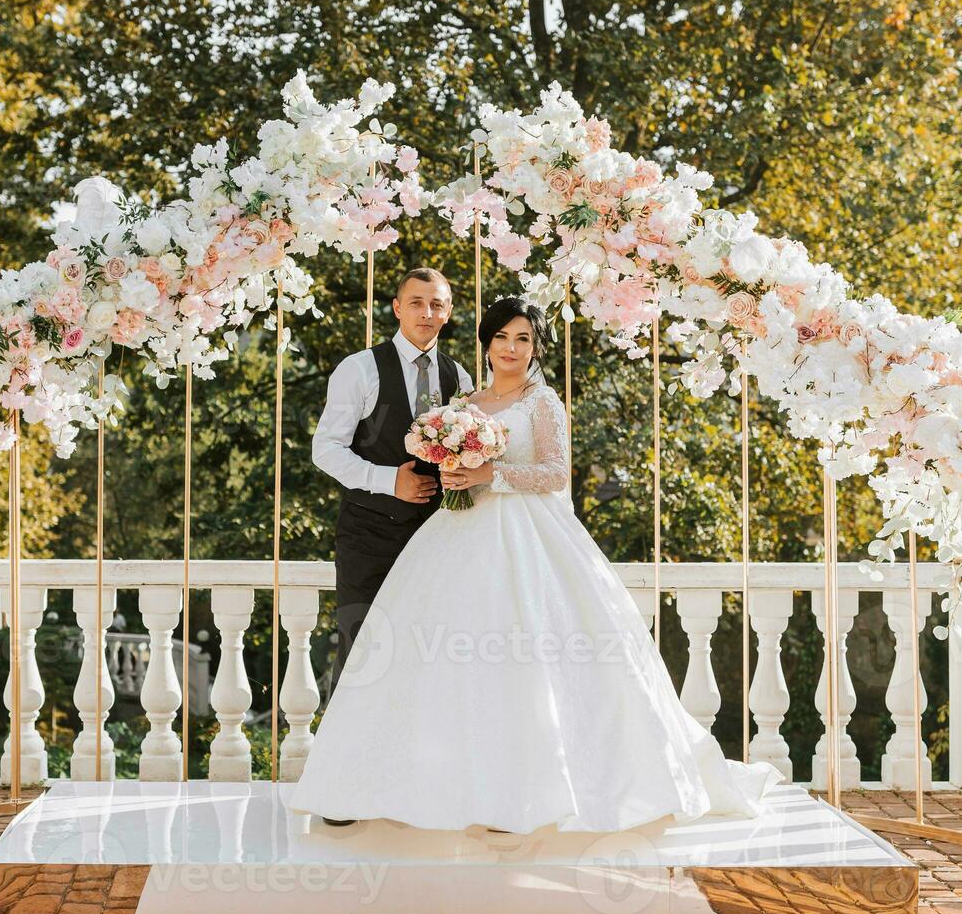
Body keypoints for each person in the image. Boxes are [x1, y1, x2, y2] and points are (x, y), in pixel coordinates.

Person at [288, 295, 783, 834]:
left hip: (527, 540)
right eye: (502, 337)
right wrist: (455, 472)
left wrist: (490, 476)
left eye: (523, 339)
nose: (511, 348)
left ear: (535, 347)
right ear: (486, 342)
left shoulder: (542, 402)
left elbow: (555, 472)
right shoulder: (463, 403)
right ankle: (406, 787)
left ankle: (524, 794)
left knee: (521, 657)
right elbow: (446, 463)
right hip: (456, 538)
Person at [311, 267, 474, 711]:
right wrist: (388, 481)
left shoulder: (459, 377)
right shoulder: (360, 368)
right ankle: (345, 769)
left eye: (436, 304)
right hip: (370, 535)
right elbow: (325, 449)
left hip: (438, 538)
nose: (426, 312)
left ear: (448, 313)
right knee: (364, 652)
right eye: (417, 302)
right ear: (398, 308)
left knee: (428, 652)